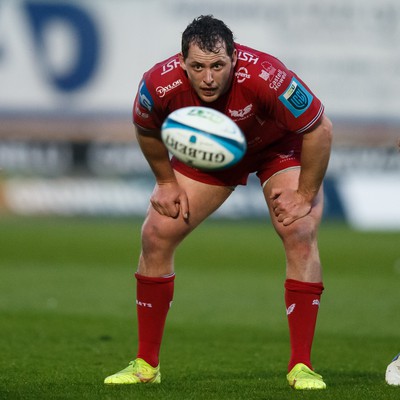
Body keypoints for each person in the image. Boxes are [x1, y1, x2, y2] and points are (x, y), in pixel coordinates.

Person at [104, 15, 332, 390]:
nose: (208, 78)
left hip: (279, 148)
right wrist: (164, 182)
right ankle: (146, 364)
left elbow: (320, 129)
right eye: (197, 67)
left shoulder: (266, 77)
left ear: (234, 59)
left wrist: (304, 195)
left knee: (300, 228)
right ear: (182, 64)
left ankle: (301, 366)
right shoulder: (158, 84)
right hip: (218, 154)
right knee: (157, 232)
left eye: (217, 66)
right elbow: (146, 129)